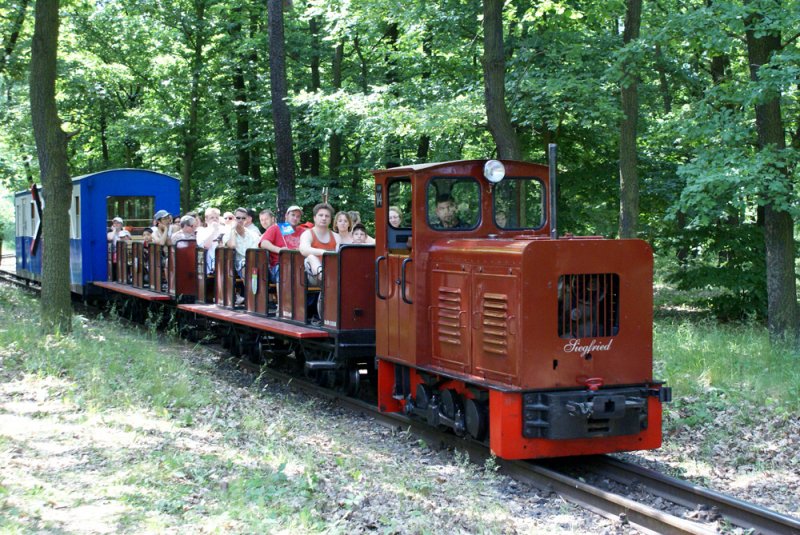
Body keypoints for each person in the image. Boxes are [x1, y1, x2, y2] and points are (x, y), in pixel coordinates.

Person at [259, 205, 305, 283]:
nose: (295, 218)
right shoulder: (276, 228)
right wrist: (280, 250)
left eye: (298, 216)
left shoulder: (303, 231)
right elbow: (263, 243)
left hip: (299, 265)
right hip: (280, 265)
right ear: (286, 216)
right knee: (284, 269)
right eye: (293, 215)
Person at [299, 203, 340, 286]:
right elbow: (304, 249)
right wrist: (323, 252)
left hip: (333, 272)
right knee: (311, 257)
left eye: (327, 216)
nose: (324, 218)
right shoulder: (307, 234)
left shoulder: (336, 237)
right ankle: (324, 277)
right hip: (313, 276)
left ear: (330, 219)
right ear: (314, 218)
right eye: (321, 215)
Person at [196, 208, 223, 273]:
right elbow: (206, 246)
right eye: (212, 218)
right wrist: (213, 230)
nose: (215, 219)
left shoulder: (223, 230)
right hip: (207, 263)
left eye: (217, 218)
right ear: (206, 219)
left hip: (222, 262)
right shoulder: (201, 231)